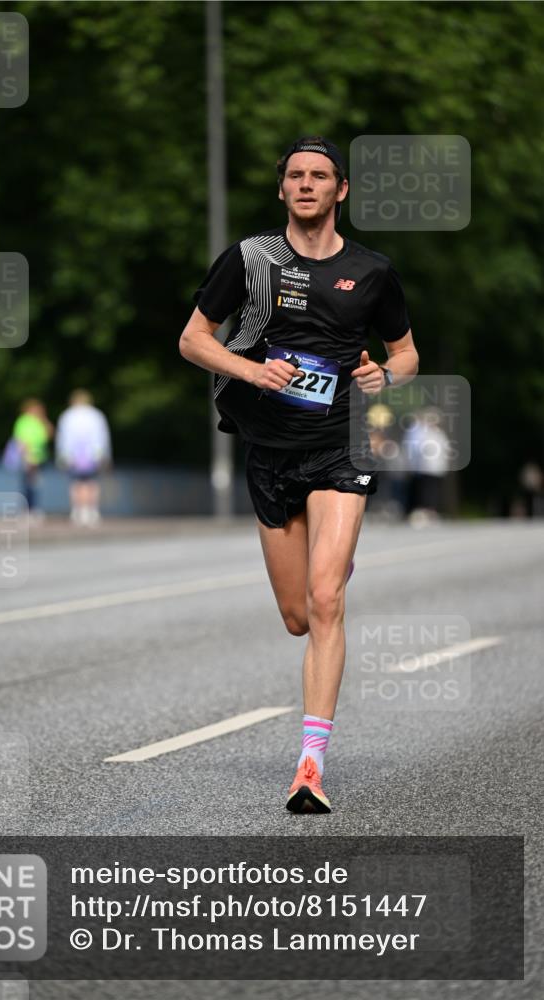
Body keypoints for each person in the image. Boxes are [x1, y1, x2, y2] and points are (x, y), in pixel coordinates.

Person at [180, 136, 419, 813]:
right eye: (295, 176)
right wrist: (252, 370)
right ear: (281, 189)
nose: (306, 185)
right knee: (295, 617)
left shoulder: (372, 271)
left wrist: (382, 373)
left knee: (325, 599)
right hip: (268, 449)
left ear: (339, 190)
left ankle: (309, 765)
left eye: (319, 176)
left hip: (339, 447)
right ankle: (328, 572)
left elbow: (405, 356)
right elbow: (192, 338)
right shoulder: (250, 259)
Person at [56, 389, 112, 525]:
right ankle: (92, 511)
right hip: (93, 455)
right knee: (91, 483)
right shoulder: (96, 415)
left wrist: (62, 455)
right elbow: (103, 437)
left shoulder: (67, 415)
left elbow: (63, 438)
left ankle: (78, 511)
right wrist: (106, 455)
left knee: (76, 484)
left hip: (73, 455)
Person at [11, 398, 54, 517]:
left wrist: (44, 419)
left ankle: (34, 508)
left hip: (39, 458)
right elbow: (20, 440)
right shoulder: (23, 421)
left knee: (36, 484)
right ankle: (28, 508)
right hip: (28, 458)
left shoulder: (40, 421)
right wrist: (27, 456)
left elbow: (50, 434)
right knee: (28, 484)